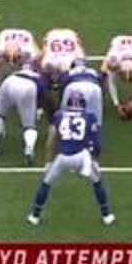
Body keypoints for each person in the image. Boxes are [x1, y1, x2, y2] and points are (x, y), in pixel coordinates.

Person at [27, 95, 114, 226]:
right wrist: (96, 159)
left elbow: (51, 140)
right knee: (97, 182)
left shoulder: (59, 115)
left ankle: (35, 216)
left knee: (46, 183)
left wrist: (48, 161)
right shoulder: (89, 116)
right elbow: (96, 143)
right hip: (82, 157)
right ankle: (106, 215)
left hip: (63, 157)